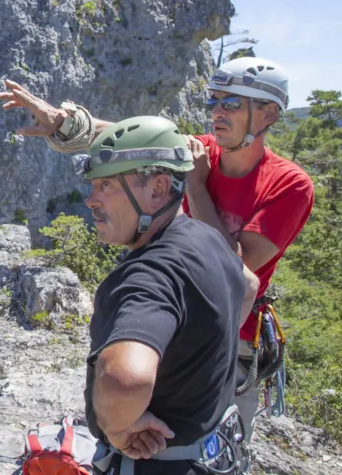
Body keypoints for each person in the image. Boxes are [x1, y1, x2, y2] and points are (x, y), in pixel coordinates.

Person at [0, 56, 314, 437]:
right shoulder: (202, 152)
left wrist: (196, 187)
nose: (217, 112)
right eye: (213, 101)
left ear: (269, 114)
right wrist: (62, 122)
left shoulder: (288, 185)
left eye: (230, 103)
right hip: (165, 317)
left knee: (217, 438)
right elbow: (133, 141)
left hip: (229, 338)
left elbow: (235, 266)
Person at [73, 116, 249, 474]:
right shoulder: (207, 238)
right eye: (93, 185)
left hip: (154, 463)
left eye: (107, 184)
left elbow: (125, 378)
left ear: (158, 189)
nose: (91, 200)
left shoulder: (150, 275)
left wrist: (118, 428)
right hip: (212, 455)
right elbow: (249, 287)